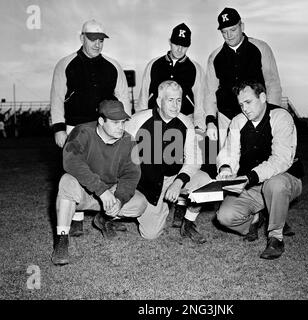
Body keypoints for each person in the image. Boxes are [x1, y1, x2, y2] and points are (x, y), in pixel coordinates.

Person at [50, 19, 131, 234]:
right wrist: (58, 127)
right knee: (75, 170)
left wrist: (123, 124)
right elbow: (57, 98)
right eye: (92, 39)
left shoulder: (113, 66)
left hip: (102, 128)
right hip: (74, 127)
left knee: (104, 170)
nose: (97, 43)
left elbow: (123, 97)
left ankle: (105, 214)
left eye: (101, 39)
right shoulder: (66, 63)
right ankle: (75, 218)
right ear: (82, 38)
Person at [51, 100, 147, 265]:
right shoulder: (81, 132)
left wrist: (120, 198)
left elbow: (131, 175)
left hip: (109, 194)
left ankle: (103, 218)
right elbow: (71, 162)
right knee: (66, 181)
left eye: (123, 122)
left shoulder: (129, 141)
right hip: (83, 193)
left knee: (140, 204)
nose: (121, 127)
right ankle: (62, 239)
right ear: (101, 121)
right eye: (115, 122)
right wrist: (101, 190)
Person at [215, 80, 303, 260]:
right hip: (252, 184)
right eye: (241, 104)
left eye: (248, 102)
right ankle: (257, 220)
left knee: (275, 184)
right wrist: (225, 167)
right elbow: (229, 153)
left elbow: (280, 160)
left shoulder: (281, 116)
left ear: (262, 97)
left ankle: (276, 237)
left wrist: (250, 177)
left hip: (284, 180)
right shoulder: (238, 121)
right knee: (225, 216)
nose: (244, 108)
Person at [125, 80, 211, 244]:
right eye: (170, 100)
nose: (175, 105)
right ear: (159, 101)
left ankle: (188, 223)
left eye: (178, 100)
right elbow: (120, 154)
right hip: (148, 182)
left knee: (205, 181)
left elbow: (194, 159)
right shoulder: (138, 120)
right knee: (150, 234)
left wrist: (179, 182)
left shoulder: (185, 122)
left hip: (175, 177)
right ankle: (106, 216)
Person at [204, 7, 282, 149]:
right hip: (226, 117)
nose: (229, 35)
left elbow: (272, 83)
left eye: (233, 29)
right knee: (226, 161)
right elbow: (210, 92)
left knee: (257, 160)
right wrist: (210, 120)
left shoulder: (261, 48)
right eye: (224, 32)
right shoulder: (215, 57)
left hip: (256, 115)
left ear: (242, 26)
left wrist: (273, 114)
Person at [136, 23, 205, 131]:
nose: (179, 49)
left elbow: (200, 105)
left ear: (189, 46)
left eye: (184, 45)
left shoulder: (196, 68)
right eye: (176, 44)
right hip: (154, 121)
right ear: (170, 42)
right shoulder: (153, 64)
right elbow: (143, 99)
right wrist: (139, 123)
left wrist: (199, 128)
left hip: (184, 120)